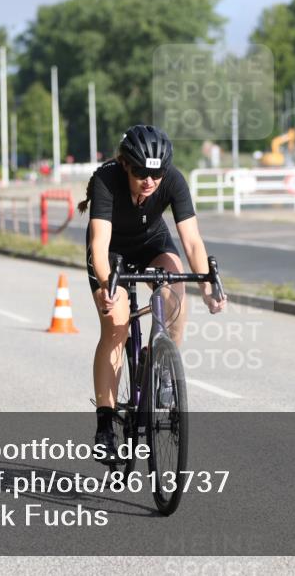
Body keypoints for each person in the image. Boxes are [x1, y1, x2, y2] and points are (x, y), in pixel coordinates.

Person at [78, 125, 226, 459]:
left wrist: (206, 286)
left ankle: (159, 361)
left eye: (157, 173)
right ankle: (104, 425)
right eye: (142, 172)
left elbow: (191, 240)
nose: (150, 180)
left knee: (176, 288)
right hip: (112, 252)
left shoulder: (173, 180)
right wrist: (107, 287)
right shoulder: (107, 180)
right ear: (126, 166)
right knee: (116, 325)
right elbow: (99, 246)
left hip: (151, 243)